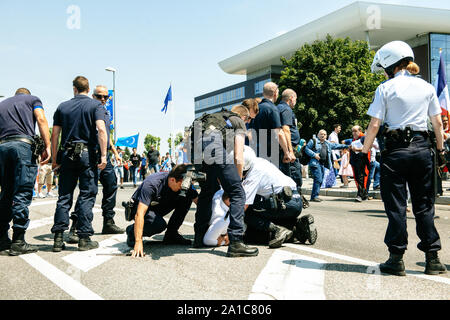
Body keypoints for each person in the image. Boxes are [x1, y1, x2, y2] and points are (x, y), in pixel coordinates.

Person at [362, 40, 447, 276]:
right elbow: (437, 123)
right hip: (422, 150)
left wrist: (364, 148)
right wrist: (440, 151)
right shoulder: (427, 87)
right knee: (424, 206)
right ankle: (432, 259)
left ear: (390, 64)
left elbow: (375, 124)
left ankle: (396, 259)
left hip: (395, 152)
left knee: (397, 207)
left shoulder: (385, 88)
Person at [192, 105, 259, 258]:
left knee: (207, 192)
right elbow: (238, 154)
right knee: (238, 193)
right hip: (213, 147)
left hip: (197, 149)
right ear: (244, 117)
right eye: (248, 120)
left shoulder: (216, 118)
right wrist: (238, 178)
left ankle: (198, 237)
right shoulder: (238, 121)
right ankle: (236, 242)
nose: (247, 123)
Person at [50, 76, 108, 252]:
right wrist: (104, 155)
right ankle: (84, 238)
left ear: (74, 88)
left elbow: (55, 135)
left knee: (64, 195)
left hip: (67, 154)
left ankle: (58, 239)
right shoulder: (95, 105)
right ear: (89, 90)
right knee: (86, 194)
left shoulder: (62, 106)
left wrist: (54, 158)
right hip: (86, 154)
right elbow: (101, 129)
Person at [66, 85, 125, 244]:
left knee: (111, 185)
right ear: (93, 96)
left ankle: (108, 222)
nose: (104, 99)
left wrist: (114, 151)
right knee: (87, 191)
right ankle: (75, 228)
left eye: (106, 97)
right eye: (100, 96)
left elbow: (106, 133)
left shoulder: (105, 111)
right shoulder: (90, 109)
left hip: (104, 156)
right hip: (91, 155)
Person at [0, 88, 51, 256]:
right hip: (22, 147)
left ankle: (2, 239)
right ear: (27, 95)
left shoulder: (2, 105)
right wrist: (48, 145)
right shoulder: (33, 99)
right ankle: (18, 241)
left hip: (2, 147)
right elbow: (41, 119)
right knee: (22, 192)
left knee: (6, 193)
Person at [239, 146, 315, 248]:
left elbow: (243, 206)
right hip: (297, 200)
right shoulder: (261, 161)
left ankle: (277, 230)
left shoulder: (253, 173)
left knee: (249, 214)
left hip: (284, 202)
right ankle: (299, 225)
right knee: (266, 213)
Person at [126, 165, 198, 257]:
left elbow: (199, 203)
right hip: (141, 208)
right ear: (172, 180)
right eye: (181, 185)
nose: (183, 188)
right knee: (159, 225)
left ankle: (171, 235)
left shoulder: (184, 183)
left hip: (159, 206)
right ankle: (132, 232)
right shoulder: (152, 183)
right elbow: (139, 213)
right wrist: (138, 241)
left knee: (187, 197)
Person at [250, 82, 293, 163]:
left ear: (263, 93)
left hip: (255, 150)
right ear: (275, 93)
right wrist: (286, 152)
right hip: (270, 152)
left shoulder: (256, 109)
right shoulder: (272, 109)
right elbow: (279, 133)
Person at [305, 130, 349, 202]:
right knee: (318, 179)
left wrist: (347, 146)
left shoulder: (327, 143)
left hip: (322, 164)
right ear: (318, 135)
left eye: (324, 134)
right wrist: (314, 155)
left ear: (326, 136)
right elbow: (306, 149)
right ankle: (314, 196)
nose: (323, 135)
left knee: (320, 180)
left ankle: (314, 196)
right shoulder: (313, 141)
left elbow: (336, 146)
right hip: (315, 164)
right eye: (321, 134)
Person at [277, 89, 303, 191]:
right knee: (294, 177)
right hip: (288, 149)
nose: (295, 102)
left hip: (283, 149)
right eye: (296, 99)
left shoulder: (278, 108)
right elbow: (286, 130)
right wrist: (290, 151)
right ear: (291, 98)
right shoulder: (286, 109)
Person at [349, 126, 371, 202]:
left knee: (361, 177)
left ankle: (360, 195)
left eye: (355, 131)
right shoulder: (354, 139)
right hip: (355, 160)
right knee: (357, 178)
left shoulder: (364, 137)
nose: (353, 133)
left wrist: (357, 149)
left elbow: (368, 147)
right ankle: (364, 194)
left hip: (362, 160)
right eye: (352, 131)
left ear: (360, 131)